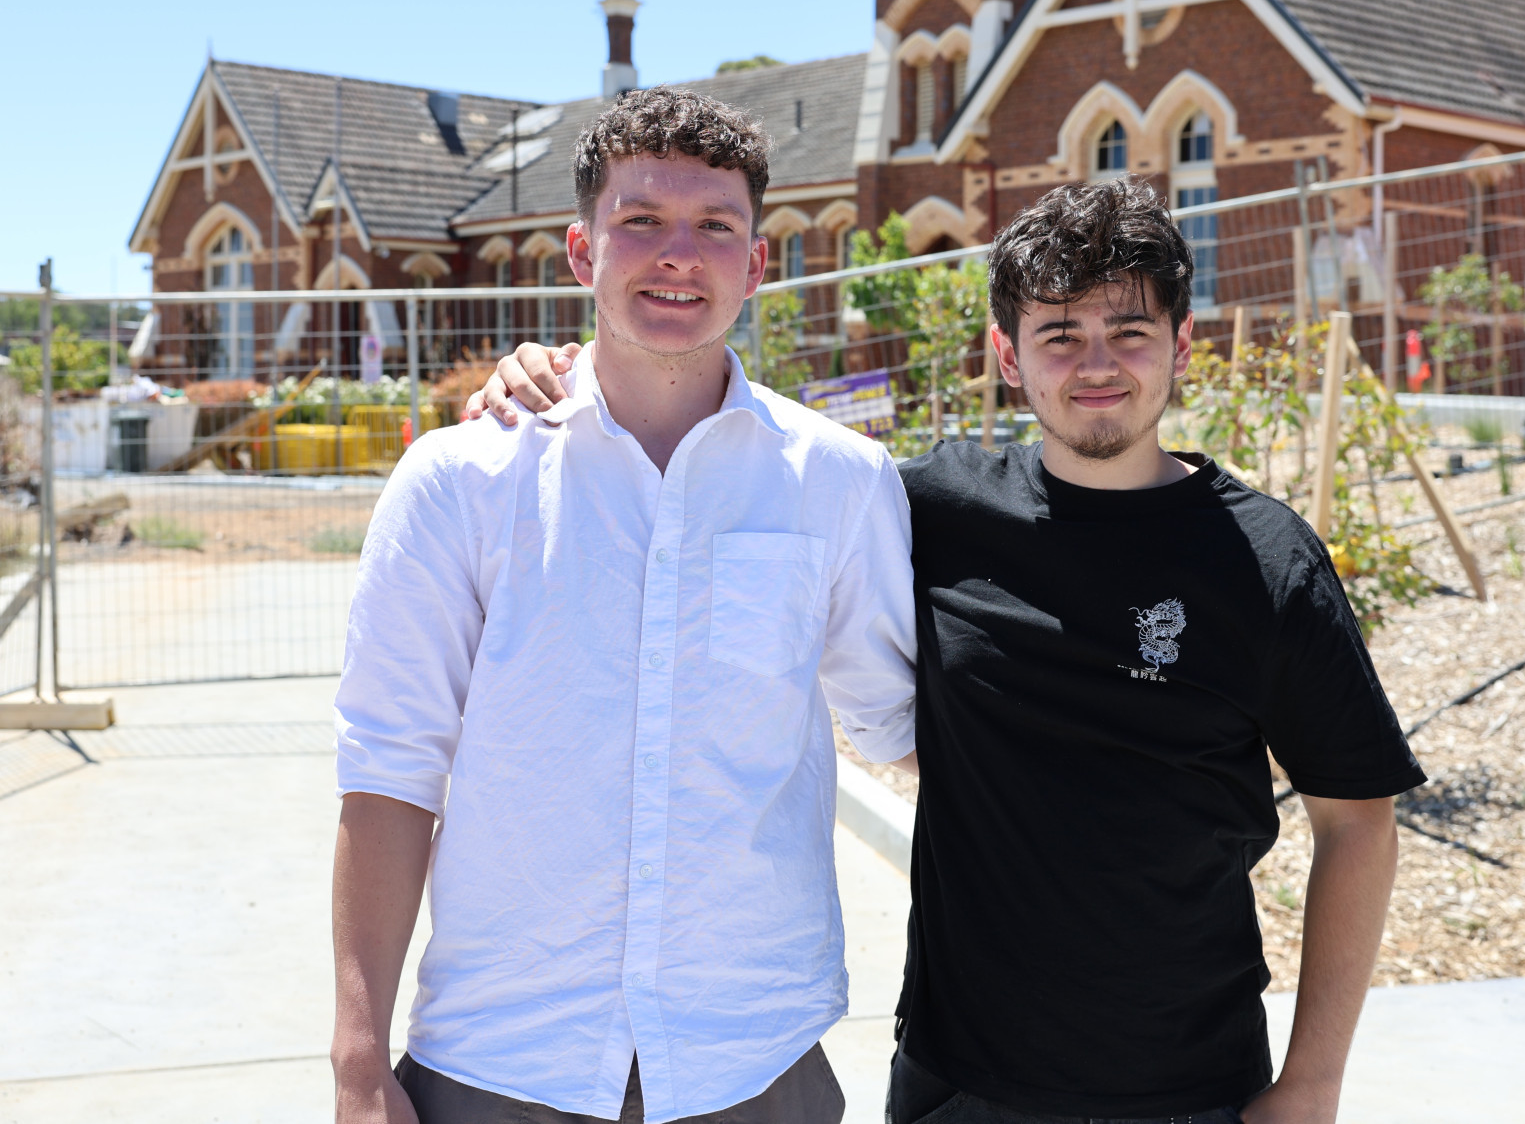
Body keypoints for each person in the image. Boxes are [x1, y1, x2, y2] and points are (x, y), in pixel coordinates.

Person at [468, 177, 1425, 1124]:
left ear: (1181, 343)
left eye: (1128, 331)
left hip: (1192, 1086)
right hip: (959, 1081)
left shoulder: (1265, 557)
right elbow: (745, 448)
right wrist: (566, 373)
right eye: (1059, 334)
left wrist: (1310, 1087)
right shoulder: (924, 509)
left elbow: (1358, 822)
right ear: (1008, 355)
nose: (1097, 363)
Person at [332, 88, 919, 1124]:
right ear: (579, 251)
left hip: (753, 1057)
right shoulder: (459, 481)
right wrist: (357, 1063)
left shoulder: (841, 481)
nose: (676, 254)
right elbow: (388, 775)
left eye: (714, 227)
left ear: (759, 260)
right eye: (640, 221)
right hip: (503, 1058)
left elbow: (901, 728)